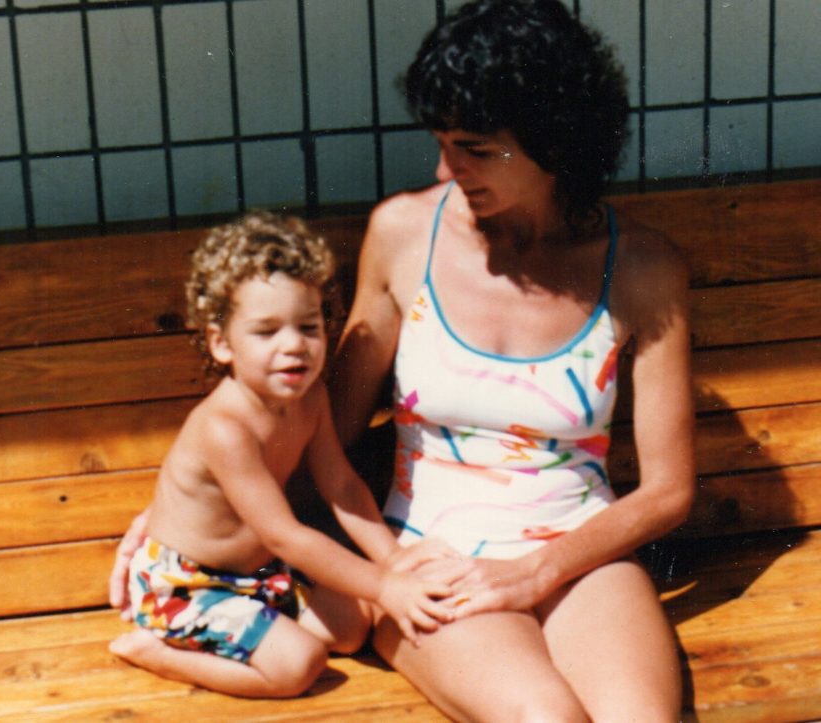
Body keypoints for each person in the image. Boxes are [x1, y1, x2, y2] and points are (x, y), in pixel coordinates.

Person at [113, 0, 695, 717]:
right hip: (425, 556)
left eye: (475, 149)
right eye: (443, 141)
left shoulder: (642, 268)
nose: (447, 167)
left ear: (555, 140)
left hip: (579, 554)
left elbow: (668, 489)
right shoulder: (404, 234)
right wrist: (178, 527)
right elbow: (318, 414)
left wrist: (533, 572)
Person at [108, 211, 457, 699]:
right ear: (220, 343)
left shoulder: (309, 399)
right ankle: (159, 654)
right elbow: (285, 535)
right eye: (266, 331)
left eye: (308, 327)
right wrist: (384, 586)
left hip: (259, 575)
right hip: (187, 585)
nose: (294, 345)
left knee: (353, 627)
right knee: (300, 665)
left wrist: (394, 561)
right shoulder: (225, 428)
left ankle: (256, 633)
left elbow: (341, 486)